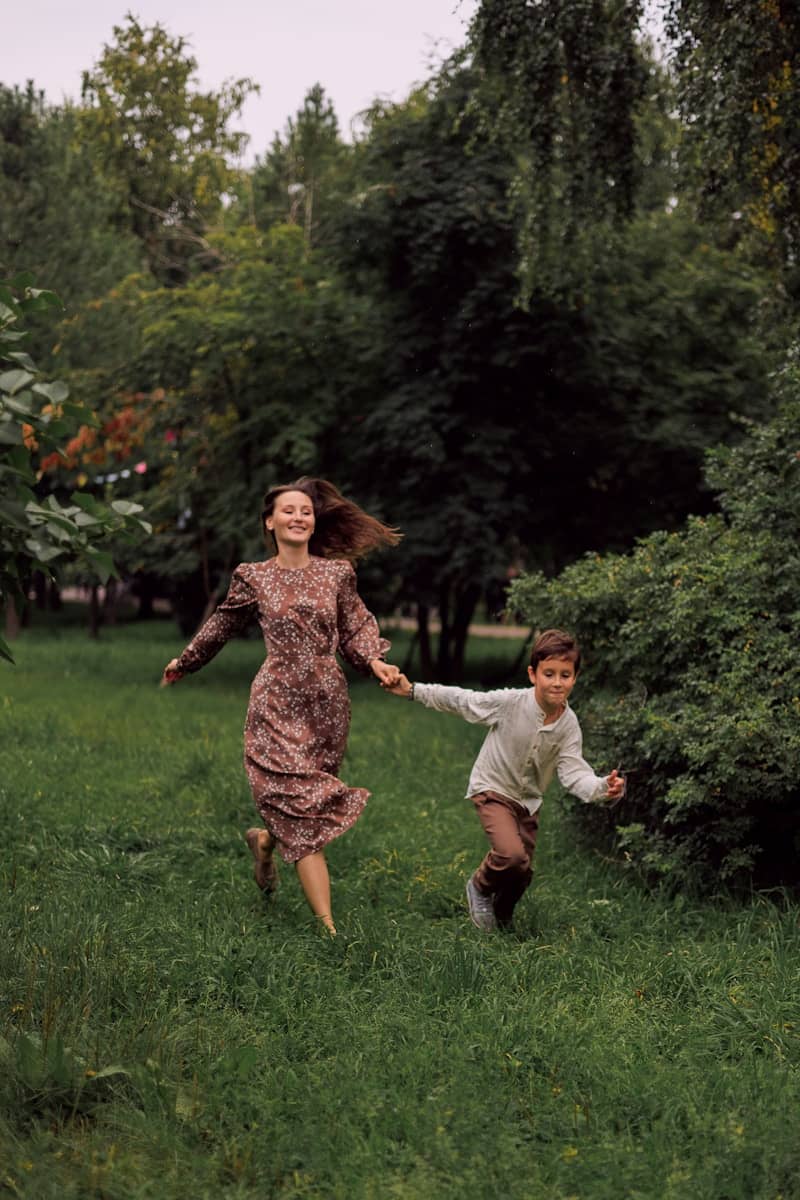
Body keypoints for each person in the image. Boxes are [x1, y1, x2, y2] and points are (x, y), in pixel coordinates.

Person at [161, 478, 401, 935]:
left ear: (314, 522)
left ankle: (265, 842)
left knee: (301, 805)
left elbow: (355, 628)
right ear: (270, 522)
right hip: (275, 702)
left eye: (306, 511)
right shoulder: (254, 576)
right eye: (288, 510)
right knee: (303, 812)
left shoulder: (337, 574)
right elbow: (222, 625)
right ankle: (330, 931)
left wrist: (376, 663)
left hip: (327, 703)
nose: (298, 517)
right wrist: (186, 661)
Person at [386, 628, 624, 931]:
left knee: (522, 872)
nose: (556, 682)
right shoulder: (510, 703)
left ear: (575, 678)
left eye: (565, 675)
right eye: (548, 673)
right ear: (532, 674)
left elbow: (574, 773)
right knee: (511, 856)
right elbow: (462, 701)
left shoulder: (569, 726)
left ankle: (501, 918)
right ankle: (479, 887)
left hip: (528, 803)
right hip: (493, 788)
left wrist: (603, 787)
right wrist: (413, 690)